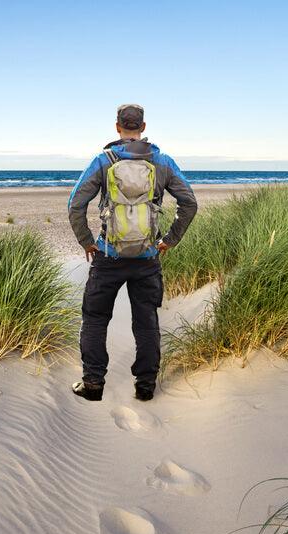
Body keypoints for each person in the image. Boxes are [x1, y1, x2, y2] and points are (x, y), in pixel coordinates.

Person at [67, 104, 198, 402]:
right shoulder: (161, 161)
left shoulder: (104, 160)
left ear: (117, 127)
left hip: (108, 257)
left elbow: (75, 205)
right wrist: (170, 240)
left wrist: (87, 242)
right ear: (143, 126)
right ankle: (145, 386)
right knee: (146, 322)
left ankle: (93, 384)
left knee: (96, 319)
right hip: (148, 258)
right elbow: (189, 203)